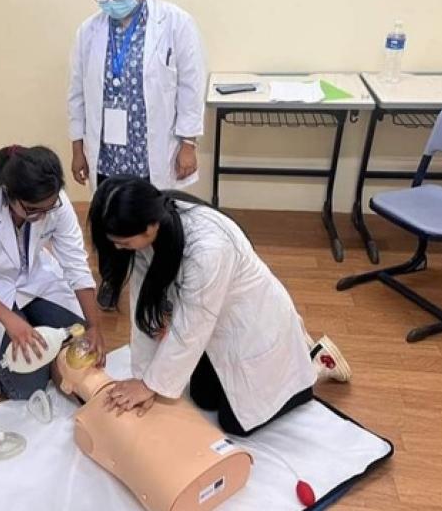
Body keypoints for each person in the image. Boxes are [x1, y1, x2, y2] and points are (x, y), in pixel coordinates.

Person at [87, 176, 350, 436]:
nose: (117, 248)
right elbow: (143, 307)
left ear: (149, 227)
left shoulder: (208, 249)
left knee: (236, 424)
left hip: (255, 324)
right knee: (202, 398)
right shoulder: (150, 226)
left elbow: (191, 327)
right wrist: (143, 378)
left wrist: (149, 384)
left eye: (122, 242)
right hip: (214, 321)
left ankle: (314, 361)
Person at [0, 145, 106, 400]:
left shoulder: (55, 202)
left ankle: (38, 331)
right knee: (28, 385)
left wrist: (95, 325)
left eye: (49, 208)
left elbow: (75, 262)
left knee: (82, 341)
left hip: (35, 279)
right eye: (33, 210)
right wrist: (10, 320)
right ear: (8, 194)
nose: (43, 215)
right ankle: (26, 328)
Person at [67, 0, 207, 193]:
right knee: (109, 213)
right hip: (107, 151)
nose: (110, 0)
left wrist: (188, 144)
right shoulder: (88, 31)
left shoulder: (175, 23)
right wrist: (78, 148)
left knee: (154, 217)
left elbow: (191, 87)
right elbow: (76, 93)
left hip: (152, 148)